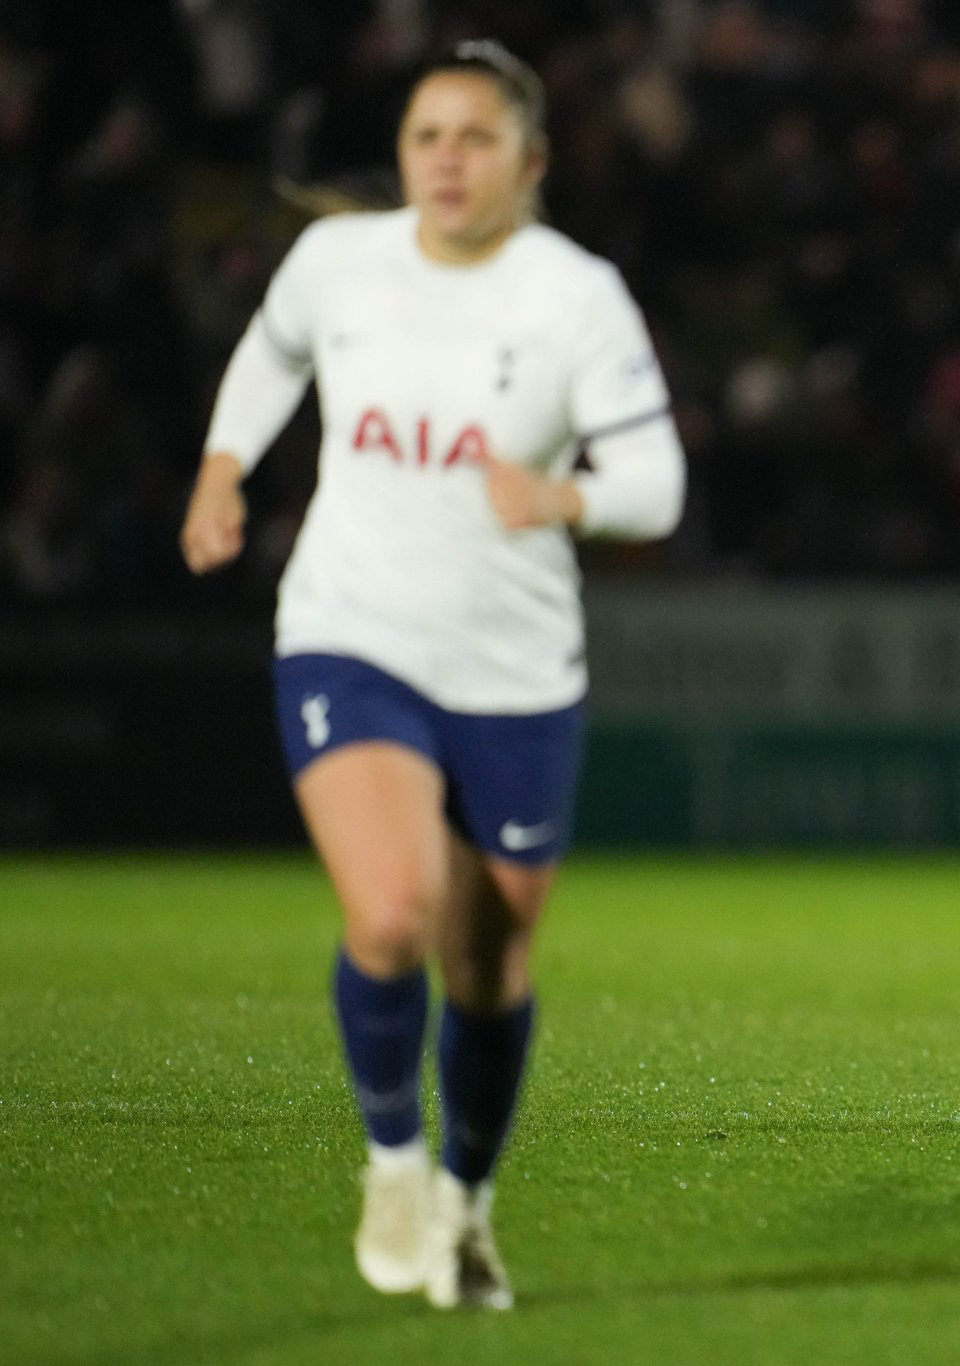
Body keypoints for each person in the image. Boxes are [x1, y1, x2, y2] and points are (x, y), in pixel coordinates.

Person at [180, 41, 685, 1304]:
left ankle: (466, 1201)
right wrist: (224, 467)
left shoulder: (573, 296)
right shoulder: (341, 260)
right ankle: (393, 1158)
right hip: (354, 634)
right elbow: (273, 350)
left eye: (473, 137)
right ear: (401, 155)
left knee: (490, 965)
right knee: (393, 912)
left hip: (515, 669)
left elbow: (656, 485)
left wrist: (564, 494)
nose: (445, 160)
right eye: (424, 137)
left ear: (530, 160)